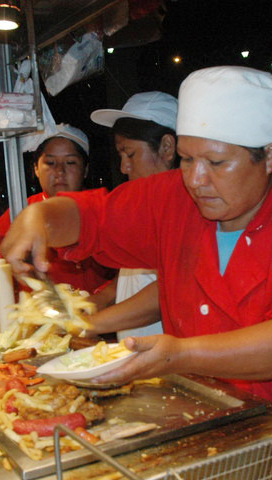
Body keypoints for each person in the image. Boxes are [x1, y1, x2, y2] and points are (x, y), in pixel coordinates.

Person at [0, 66, 272, 419]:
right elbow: (93, 218)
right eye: (185, 159)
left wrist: (179, 355)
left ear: (269, 156)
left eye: (216, 163)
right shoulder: (174, 197)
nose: (196, 179)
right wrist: (42, 218)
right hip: (217, 415)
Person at [87, 91, 178, 340]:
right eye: (120, 156)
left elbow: (164, 294)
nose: (123, 167)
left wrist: (88, 323)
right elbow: (135, 270)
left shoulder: (182, 211)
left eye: (130, 154)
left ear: (167, 147)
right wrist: (101, 298)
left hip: (164, 354)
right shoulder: (145, 205)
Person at [0, 124, 115, 295]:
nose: (59, 171)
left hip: (105, 314)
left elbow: (126, 274)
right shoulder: (17, 216)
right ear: (35, 169)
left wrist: (102, 299)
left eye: (70, 162)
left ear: (85, 170)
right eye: (50, 163)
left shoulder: (105, 209)